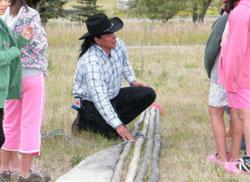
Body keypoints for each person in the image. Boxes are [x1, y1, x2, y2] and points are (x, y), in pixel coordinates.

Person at [72, 13, 156, 141]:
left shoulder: (118, 44)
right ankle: (85, 122)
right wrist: (118, 126)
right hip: (92, 104)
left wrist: (132, 81)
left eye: (113, 32)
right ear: (97, 40)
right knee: (115, 136)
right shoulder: (92, 62)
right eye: (109, 35)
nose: (114, 37)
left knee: (148, 93)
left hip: (114, 96)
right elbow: (100, 98)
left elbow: (124, 63)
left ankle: (110, 122)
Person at [0, 0, 49, 181]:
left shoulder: (5, 16)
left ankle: (4, 168)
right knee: (31, 123)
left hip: (12, 75)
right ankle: (25, 173)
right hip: (32, 73)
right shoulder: (31, 15)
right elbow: (39, 45)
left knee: (10, 122)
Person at [205, 0, 242, 165]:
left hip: (221, 74)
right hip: (240, 74)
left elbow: (211, 49)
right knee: (236, 113)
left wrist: (208, 69)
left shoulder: (224, 20)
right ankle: (234, 156)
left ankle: (222, 156)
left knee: (215, 112)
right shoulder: (245, 16)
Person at [218, 0, 250, 174]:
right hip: (244, 72)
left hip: (241, 75)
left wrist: (230, 80)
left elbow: (236, 49)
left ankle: (248, 162)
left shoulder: (240, 13)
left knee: (246, 116)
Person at [0, 0, 32, 168]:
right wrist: (15, 50)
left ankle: (9, 167)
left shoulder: (3, 23)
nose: (4, 3)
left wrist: (20, 41)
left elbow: (9, 49)